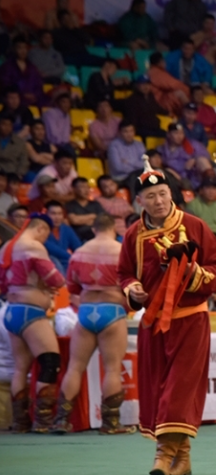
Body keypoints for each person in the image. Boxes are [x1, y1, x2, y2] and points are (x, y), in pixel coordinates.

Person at [118, 156, 216, 474]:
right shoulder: (132, 235)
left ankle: (163, 457)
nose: (158, 201)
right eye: (151, 196)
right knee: (158, 389)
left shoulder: (194, 226)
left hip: (190, 320)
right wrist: (133, 290)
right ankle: (182, 461)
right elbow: (124, 274)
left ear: (171, 194)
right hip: (152, 323)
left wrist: (192, 274)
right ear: (139, 201)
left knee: (179, 389)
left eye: (163, 194)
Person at [50, 214, 135, 435]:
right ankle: (110, 424)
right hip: (112, 311)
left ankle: (61, 420)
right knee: (112, 369)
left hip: (86, 312)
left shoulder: (79, 252)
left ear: (94, 228)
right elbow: (132, 287)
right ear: (114, 228)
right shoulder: (122, 251)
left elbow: (73, 288)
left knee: (74, 367)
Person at [0, 213, 65, 433]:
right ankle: (42, 422)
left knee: (21, 367)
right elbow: (56, 279)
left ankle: (21, 422)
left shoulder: (6, 247)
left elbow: (2, 284)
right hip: (31, 312)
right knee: (50, 361)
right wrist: (47, 287)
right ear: (41, 229)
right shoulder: (34, 247)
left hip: (11, 311)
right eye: (46, 235)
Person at [158, 123, 212, 190]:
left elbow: (205, 156)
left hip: (193, 176)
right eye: (176, 133)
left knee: (202, 160)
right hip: (175, 179)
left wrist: (195, 159)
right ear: (168, 134)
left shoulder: (191, 145)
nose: (179, 136)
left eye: (181, 133)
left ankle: (210, 186)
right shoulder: (162, 149)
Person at [0, 37, 44, 107]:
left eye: (25, 48)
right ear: (14, 49)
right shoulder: (7, 67)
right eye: (19, 48)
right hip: (14, 102)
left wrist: (34, 95)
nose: (23, 51)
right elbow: (5, 85)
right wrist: (22, 95)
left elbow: (39, 85)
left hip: (32, 101)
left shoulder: (32, 68)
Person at [65, 177, 106, 242]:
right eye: (82, 187)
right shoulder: (70, 205)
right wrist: (93, 216)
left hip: (96, 236)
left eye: (87, 187)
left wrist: (80, 219)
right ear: (74, 189)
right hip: (78, 238)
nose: (86, 190)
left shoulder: (95, 204)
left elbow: (102, 220)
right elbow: (74, 221)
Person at [0, 113, 29, 178]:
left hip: (12, 173)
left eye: (9, 125)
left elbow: (24, 161)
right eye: (4, 124)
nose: (7, 127)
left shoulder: (19, 142)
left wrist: (19, 175)